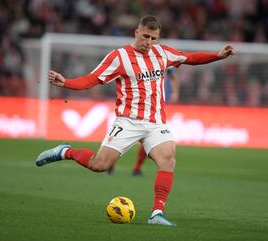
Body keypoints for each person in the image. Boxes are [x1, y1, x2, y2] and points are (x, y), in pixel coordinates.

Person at [36, 15, 236, 226]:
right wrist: (66, 82)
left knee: (168, 159)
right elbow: (91, 79)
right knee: (99, 165)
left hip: (156, 122)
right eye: (146, 36)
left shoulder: (162, 52)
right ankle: (65, 151)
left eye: (153, 38)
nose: (149, 42)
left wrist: (218, 55)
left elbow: (190, 58)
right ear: (137, 32)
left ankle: (156, 214)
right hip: (128, 122)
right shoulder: (119, 57)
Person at [132, 68, 179, 176]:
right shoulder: (137, 60)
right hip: (140, 104)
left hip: (159, 105)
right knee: (137, 136)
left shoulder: (162, 57)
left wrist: (175, 92)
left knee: (147, 137)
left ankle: (136, 168)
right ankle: (111, 161)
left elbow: (174, 76)